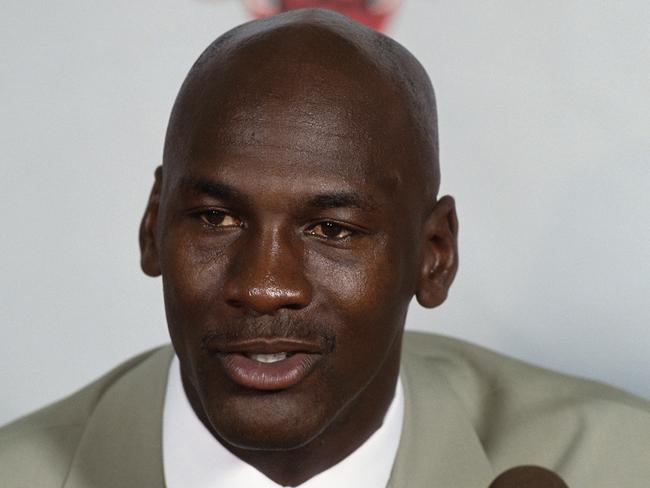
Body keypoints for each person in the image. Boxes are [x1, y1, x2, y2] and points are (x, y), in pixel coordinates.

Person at [1, 8, 649, 488]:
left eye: (333, 231)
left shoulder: (617, 465)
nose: (263, 285)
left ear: (434, 256)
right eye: (216, 218)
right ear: (152, 228)